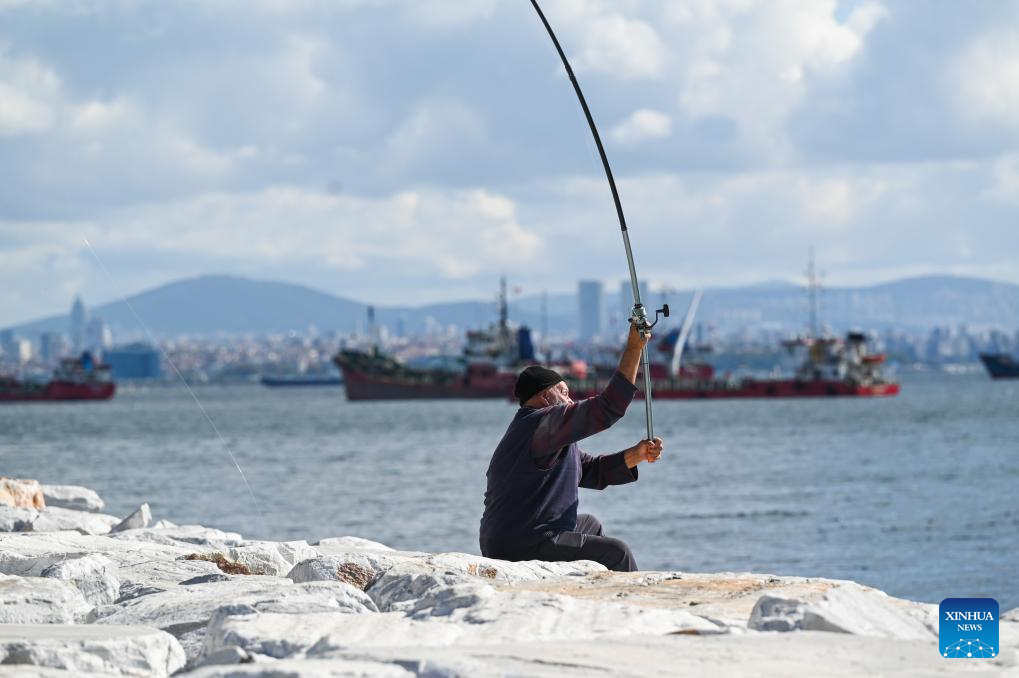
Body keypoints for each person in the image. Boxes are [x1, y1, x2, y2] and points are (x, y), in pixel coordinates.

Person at [479, 322, 664, 572]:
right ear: (545, 398)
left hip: (515, 536)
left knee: (591, 525)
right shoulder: (540, 423)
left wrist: (637, 454)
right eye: (564, 393)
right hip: (521, 542)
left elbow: (591, 470)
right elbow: (608, 407)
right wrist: (634, 348)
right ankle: (637, 605)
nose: (570, 400)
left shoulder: (542, 433)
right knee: (617, 552)